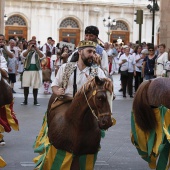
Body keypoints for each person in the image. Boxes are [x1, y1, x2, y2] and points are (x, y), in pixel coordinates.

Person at [20, 39, 44, 106]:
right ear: (28, 44)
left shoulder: (38, 52)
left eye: (34, 44)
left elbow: (42, 56)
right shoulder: (25, 51)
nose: (33, 45)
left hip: (36, 70)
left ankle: (35, 101)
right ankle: (25, 100)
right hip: (27, 70)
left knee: (35, 86)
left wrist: (37, 50)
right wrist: (29, 50)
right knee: (26, 86)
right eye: (31, 43)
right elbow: (23, 56)